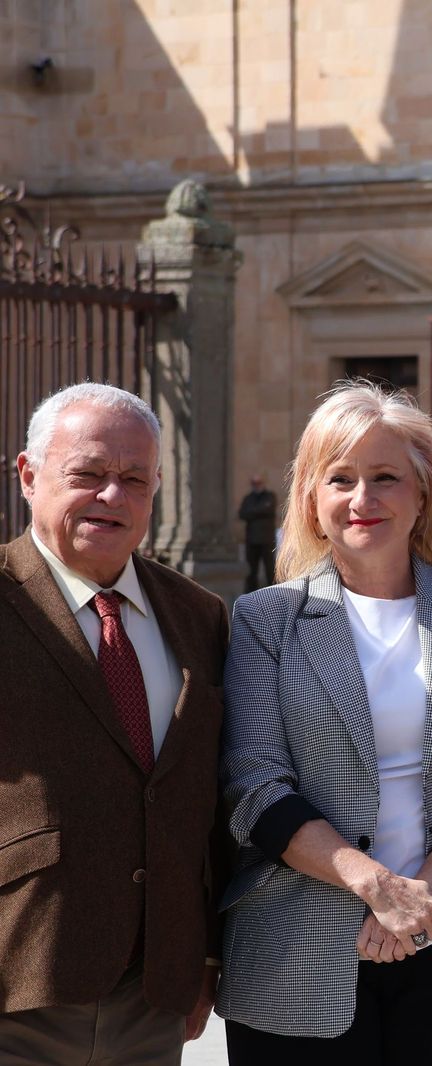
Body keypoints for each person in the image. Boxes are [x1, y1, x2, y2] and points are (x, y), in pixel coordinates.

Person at [217, 380, 432, 1064]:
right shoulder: (265, 621)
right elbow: (254, 787)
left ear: (422, 493)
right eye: (341, 479)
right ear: (311, 496)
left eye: (385, 477)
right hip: (297, 950)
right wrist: (377, 886)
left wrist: (419, 901)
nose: (362, 499)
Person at [0, 382, 230, 1063]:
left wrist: (207, 956)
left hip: (152, 993)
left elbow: (210, 796)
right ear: (29, 474)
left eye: (134, 479)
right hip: (16, 978)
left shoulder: (199, 616)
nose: (112, 496)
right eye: (89, 475)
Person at [238, 473, 278, 593]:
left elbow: (269, 509)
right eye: (254, 483)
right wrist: (260, 510)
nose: (257, 486)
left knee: (270, 569)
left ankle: (274, 593)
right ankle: (251, 594)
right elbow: (242, 514)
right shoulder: (248, 498)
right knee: (251, 570)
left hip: (267, 539)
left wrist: (253, 512)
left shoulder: (270, 496)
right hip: (252, 540)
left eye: (259, 483)